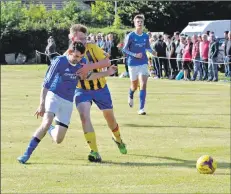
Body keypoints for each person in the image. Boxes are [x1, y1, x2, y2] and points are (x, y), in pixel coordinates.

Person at [17, 41, 118, 164]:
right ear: (69, 52)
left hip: (67, 101)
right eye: (76, 56)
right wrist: (42, 104)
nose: (78, 59)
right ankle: (26, 154)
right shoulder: (59, 61)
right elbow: (46, 85)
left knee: (58, 139)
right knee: (47, 121)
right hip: (53, 95)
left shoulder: (82, 63)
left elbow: (87, 76)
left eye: (81, 57)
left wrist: (107, 73)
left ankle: (49, 128)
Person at [62, 24, 127, 162]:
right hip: (81, 90)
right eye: (80, 38)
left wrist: (89, 67)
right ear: (72, 38)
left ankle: (119, 139)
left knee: (110, 119)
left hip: (101, 88)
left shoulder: (92, 48)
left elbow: (107, 61)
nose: (84, 41)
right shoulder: (68, 54)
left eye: (85, 38)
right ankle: (94, 152)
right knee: (84, 117)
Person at [122, 14, 156, 115]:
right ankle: (131, 94)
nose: (140, 23)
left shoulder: (145, 36)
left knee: (143, 84)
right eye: (138, 22)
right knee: (134, 86)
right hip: (132, 63)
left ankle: (141, 108)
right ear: (134, 23)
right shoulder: (131, 36)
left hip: (143, 62)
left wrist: (153, 51)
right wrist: (134, 54)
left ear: (143, 23)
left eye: (141, 22)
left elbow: (147, 47)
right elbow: (124, 49)